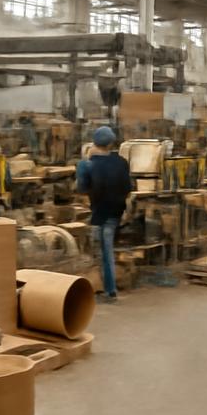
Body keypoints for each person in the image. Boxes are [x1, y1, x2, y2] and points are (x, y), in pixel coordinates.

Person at [76, 126, 132, 303]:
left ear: (94, 142)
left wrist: (87, 161)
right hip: (117, 211)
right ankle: (103, 286)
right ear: (111, 143)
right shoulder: (122, 162)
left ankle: (110, 291)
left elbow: (81, 188)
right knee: (104, 249)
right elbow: (128, 188)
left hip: (101, 213)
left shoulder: (87, 164)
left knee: (104, 251)